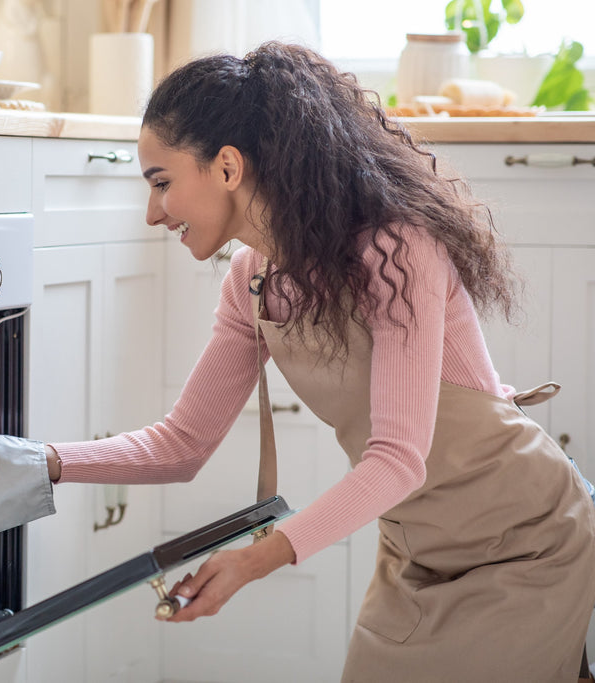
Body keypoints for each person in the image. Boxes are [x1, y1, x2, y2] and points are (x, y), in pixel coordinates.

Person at [40, 42, 595, 681]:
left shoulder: (396, 253)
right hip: (416, 556)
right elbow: (182, 445)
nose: (151, 212)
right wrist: (39, 464)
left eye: (162, 183)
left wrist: (255, 561)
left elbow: (397, 460)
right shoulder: (251, 282)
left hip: (525, 548)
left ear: (226, 166)